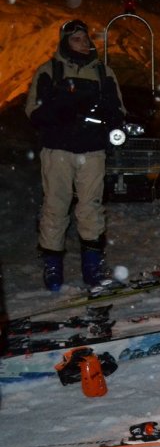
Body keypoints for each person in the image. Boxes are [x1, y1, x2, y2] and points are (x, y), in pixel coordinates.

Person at [26, 19, 125, 291]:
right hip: (58, 150)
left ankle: (92, 268)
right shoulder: (49, 72)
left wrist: (109, 120)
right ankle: (53, 267)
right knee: (55, 206)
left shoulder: (104, 73)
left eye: (85, 38)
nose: (83, 43)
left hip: (92, 151)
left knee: (90, 207)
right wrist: (61, 109)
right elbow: (33, 112)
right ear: (65, 42)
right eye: (76, 39)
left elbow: (118, 110)